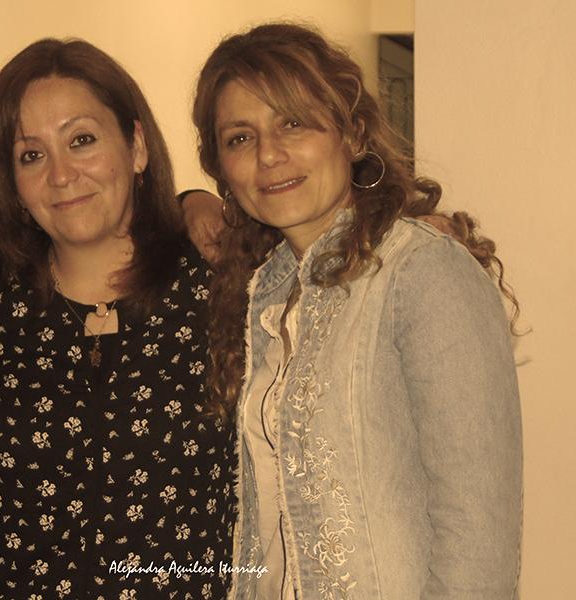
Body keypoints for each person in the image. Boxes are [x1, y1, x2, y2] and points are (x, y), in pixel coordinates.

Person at [192, 23, 522, 599]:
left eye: (292, 122)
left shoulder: (421, 272)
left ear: (352, 132)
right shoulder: (264, 295)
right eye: (240, 138)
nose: (270, 155)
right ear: (221, 168)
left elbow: (478, 537)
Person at [0, 39, 237, 599]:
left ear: (137, 145)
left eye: (82, 140)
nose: (61, 174)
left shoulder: (222, 284)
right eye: (31, 155)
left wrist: (195, 200)